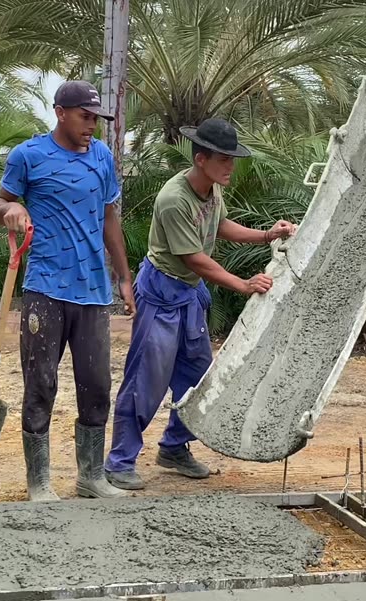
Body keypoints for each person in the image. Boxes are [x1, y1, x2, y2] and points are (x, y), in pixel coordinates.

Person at [104, 118, 296, 490]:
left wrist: (267, 234)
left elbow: (219, 226)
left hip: (189, 295)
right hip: (162, 294)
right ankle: (119, 461)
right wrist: (242, 283)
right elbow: (194, 256)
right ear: (201, 159)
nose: (230, 166)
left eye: (232, 159)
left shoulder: (212, 189)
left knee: (197, 377)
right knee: (146, 379)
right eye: (224, 159)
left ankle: (174, 447)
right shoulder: (174, 199)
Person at [0, 80, 135, 502]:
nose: (93, 126)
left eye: (97, 119)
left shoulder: (103, 158)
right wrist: (12, 209)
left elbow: (110, 219)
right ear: (61, 113)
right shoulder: (29, 156)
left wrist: (124, 277)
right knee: (42, 383)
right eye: (85, 117)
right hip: (45, 289)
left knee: (96, 385)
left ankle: (91, 475)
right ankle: (39, 482)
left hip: (92, 291)